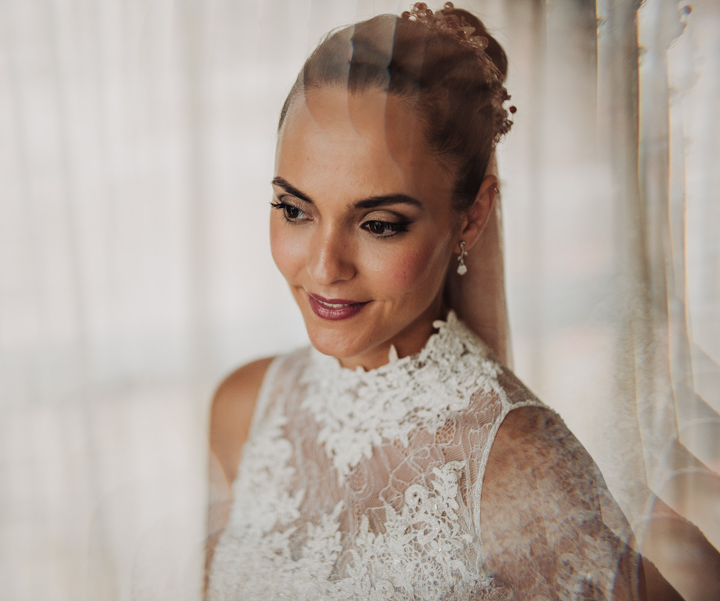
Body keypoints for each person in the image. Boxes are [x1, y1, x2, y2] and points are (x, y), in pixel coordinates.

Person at [205, 3, 680, 599]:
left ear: (472, 216)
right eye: (295, 210)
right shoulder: (241, 410)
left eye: (378, 224)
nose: (325, 267)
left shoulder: (517, 464)